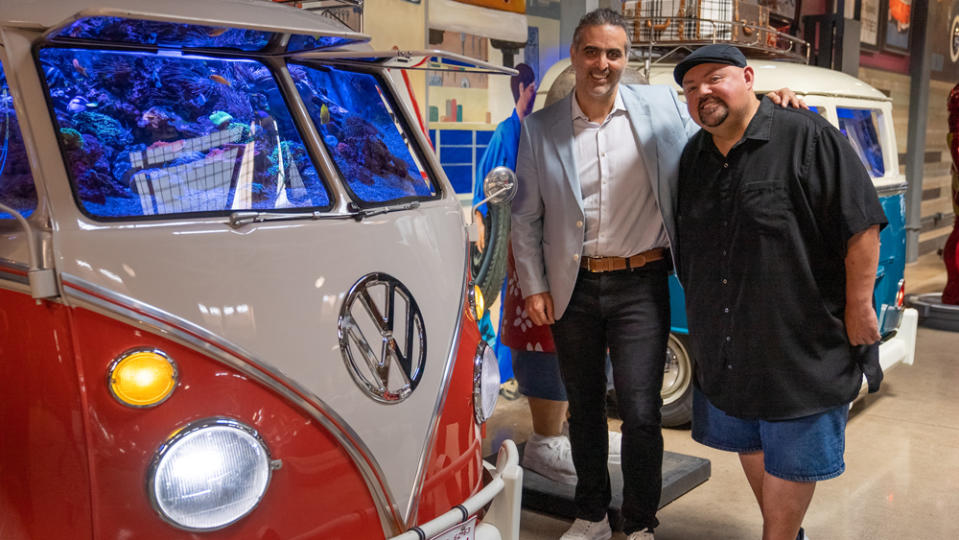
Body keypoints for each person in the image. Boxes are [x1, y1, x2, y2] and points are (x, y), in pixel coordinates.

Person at [673, 44, 888, 540]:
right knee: (750, 437)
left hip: (800, 342)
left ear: (748, 78)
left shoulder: (807, 135)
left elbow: (862, 226)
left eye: (716, 78)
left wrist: (859, 307)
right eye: (690, 87)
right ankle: (785, 533)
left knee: (794, 450)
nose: (703, 92)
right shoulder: (694, 156)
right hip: (729, 343)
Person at [473, 63, 622, 485]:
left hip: (589, 265)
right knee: (546, 349)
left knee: (596, 349)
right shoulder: (522, 133)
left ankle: (582, 430)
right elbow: (498, 195)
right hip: (539, 261)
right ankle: (544, 440)